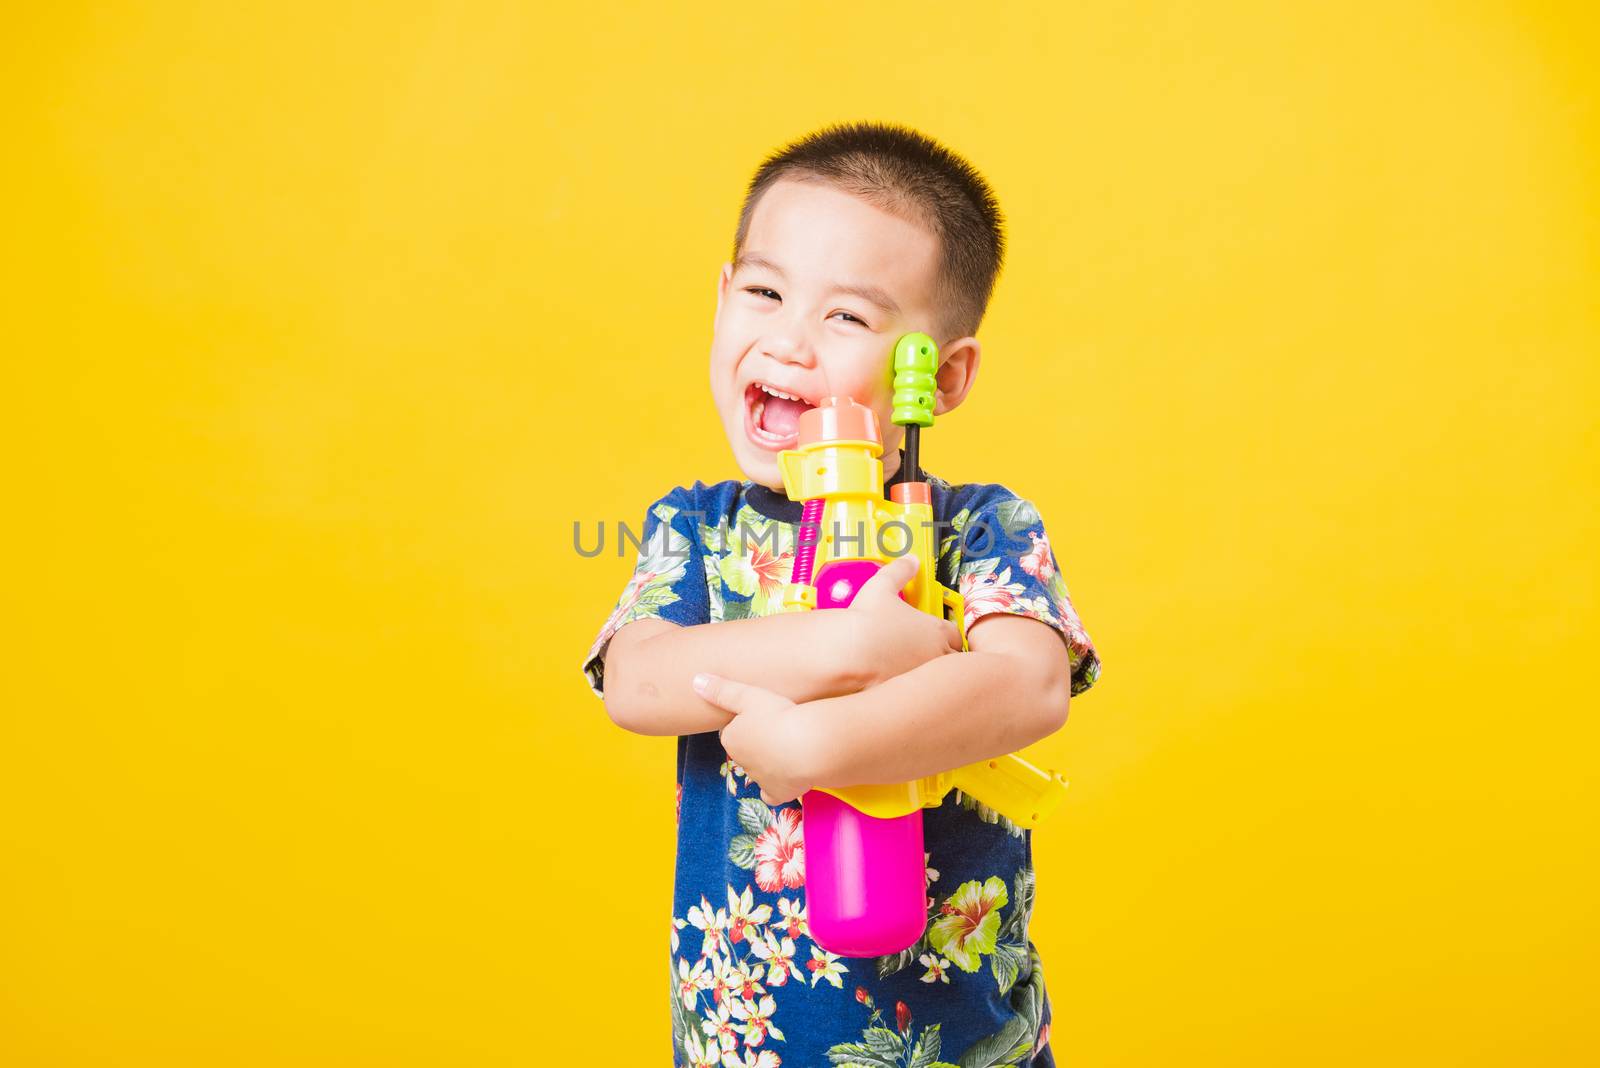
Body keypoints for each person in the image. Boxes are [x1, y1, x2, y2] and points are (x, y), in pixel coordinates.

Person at [582, 121, 1101, 1067]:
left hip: (968, 1047)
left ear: (937, 379)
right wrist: (842, 645)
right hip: (741, 1049)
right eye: (766, 292)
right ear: (721, 300)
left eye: (848, 318)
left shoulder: (977, 525)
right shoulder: (697, 527)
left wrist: (826, 744)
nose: (788, 338)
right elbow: (636, 680)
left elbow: (1030, 687)